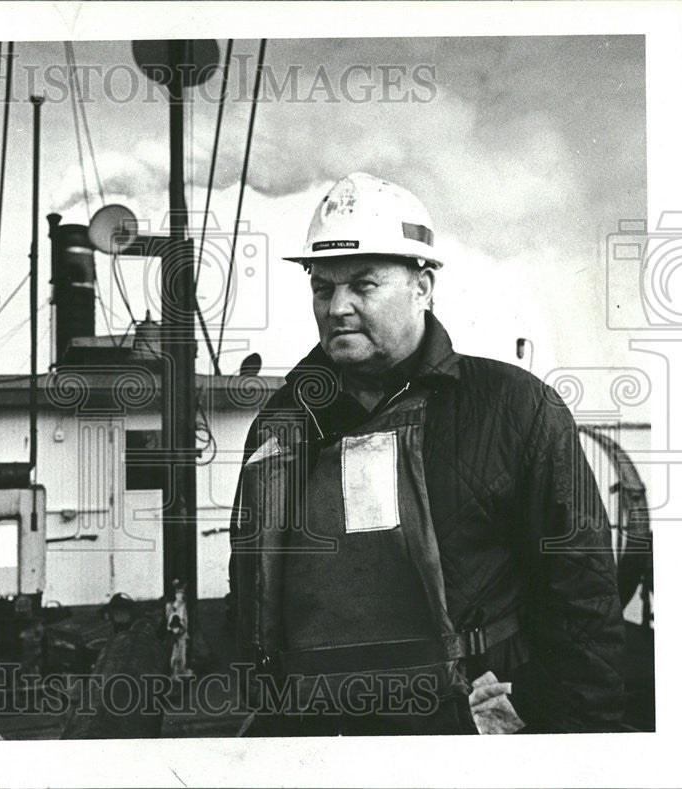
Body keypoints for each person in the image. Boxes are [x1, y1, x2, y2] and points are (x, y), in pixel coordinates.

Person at [228, 172, 625, 735]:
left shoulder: (515, 409)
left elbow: (581, 588)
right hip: (316, 731)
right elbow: (251, 585)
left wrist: (579, 734)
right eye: (323, 287)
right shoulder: (282, 423)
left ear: (424, 286)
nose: (337, 307)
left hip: (457, 725)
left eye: (363, 285)